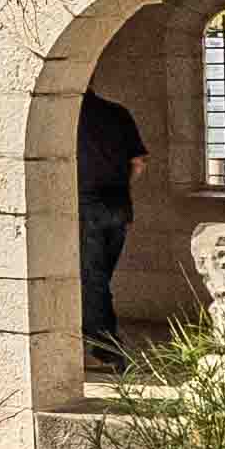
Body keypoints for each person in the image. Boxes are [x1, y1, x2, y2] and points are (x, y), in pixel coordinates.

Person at [75, 86, 146, 363]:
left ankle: (107, 349)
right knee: (99, 278)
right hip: (118, 207)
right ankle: (99, 342)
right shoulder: (118, 113)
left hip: (86, 207)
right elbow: (138, 163)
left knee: (93, 280)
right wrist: (119, 188)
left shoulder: (69, 116)